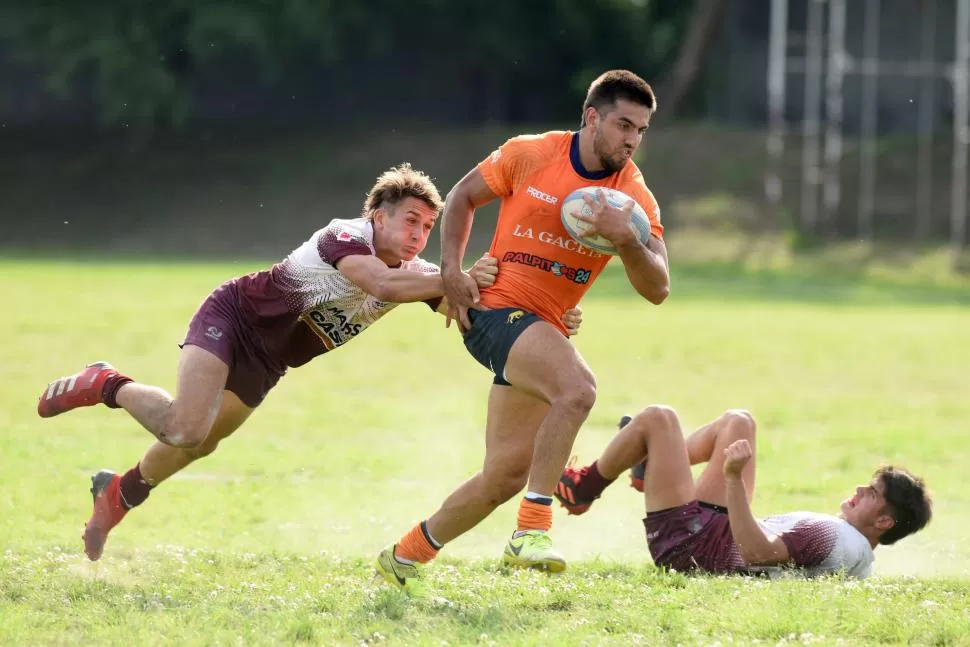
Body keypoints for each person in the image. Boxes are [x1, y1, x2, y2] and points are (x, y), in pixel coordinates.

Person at [37, 163, 583, 562]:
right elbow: (382, 283)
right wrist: (453, 278)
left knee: (201, 443)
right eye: (410, 222)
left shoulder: (419, 271)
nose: (419, 237)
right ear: (377, 216)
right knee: (186, 426)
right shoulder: (346, 235)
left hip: (272, 358)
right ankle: (106, 382)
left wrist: (544, 318)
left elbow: (471, 311)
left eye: (426, 228)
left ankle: (120, 492)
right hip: (235, 318)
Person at [377, 69, 670, 594]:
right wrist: (451, 272)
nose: (631, 139)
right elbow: (463, 197)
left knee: (505, 475)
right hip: (493, 312)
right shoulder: (532, 153)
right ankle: (531, 530)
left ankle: (403, 557)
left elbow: (659, 287)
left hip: (545, 330)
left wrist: (627, 241)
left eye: (641, 130)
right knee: (578, 390)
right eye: (624, 124)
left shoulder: (632, 198)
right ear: (592, 117)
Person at [554, 406, 933, 578]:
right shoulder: (856, 548)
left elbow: (755, 553)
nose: (858, 488)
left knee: (658, 418)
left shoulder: (832, 537)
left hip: (691, 549)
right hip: (712, 534)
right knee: (739, 420)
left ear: (884, 520)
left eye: (870, 493)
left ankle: (584, 488)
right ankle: (651, 467)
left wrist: (733, 478)